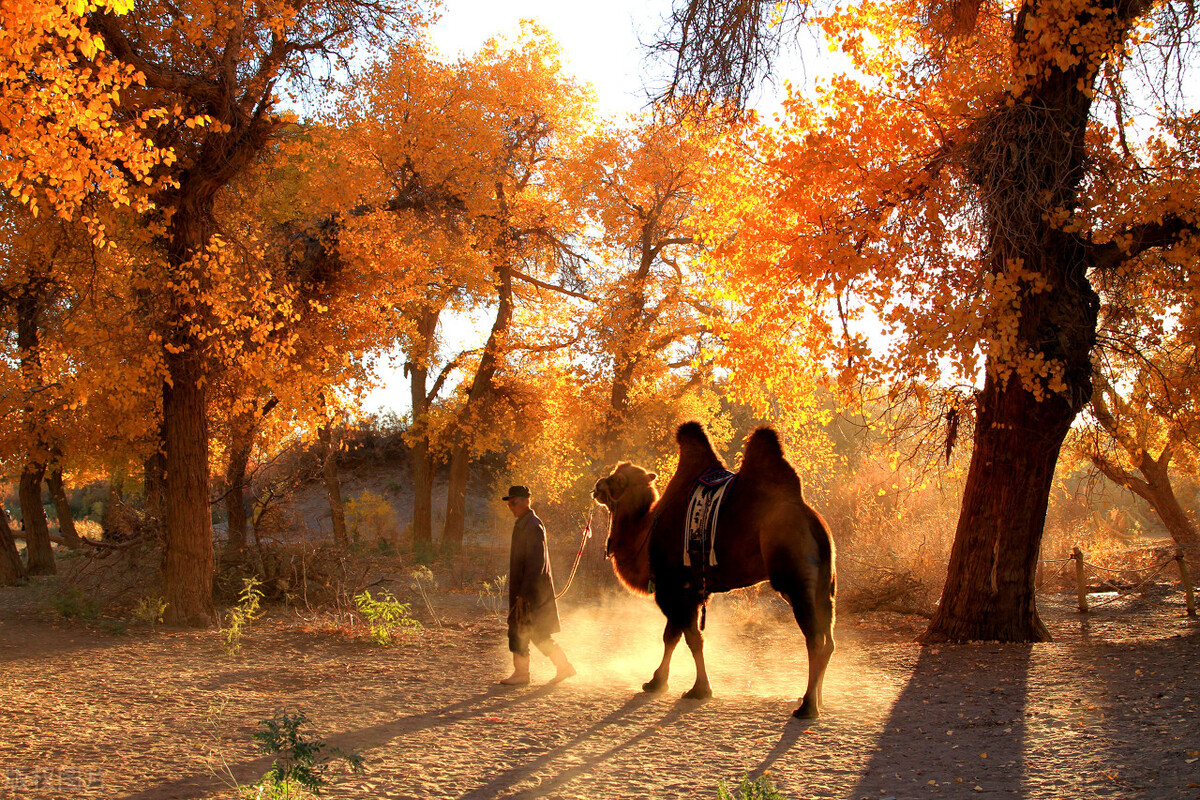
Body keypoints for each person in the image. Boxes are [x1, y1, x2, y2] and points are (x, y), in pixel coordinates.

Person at [498, 484, 576, 685]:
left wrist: (523, 594)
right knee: (537, 634)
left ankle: (522, 674)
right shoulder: (526, 523)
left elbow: (536, 563)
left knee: (520, 630)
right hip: (531, 591)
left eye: (514, 502)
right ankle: (563, 668)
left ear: (526, 501)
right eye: (509, 504)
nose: (511, 507)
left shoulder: (532, 526)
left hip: (531, 593)